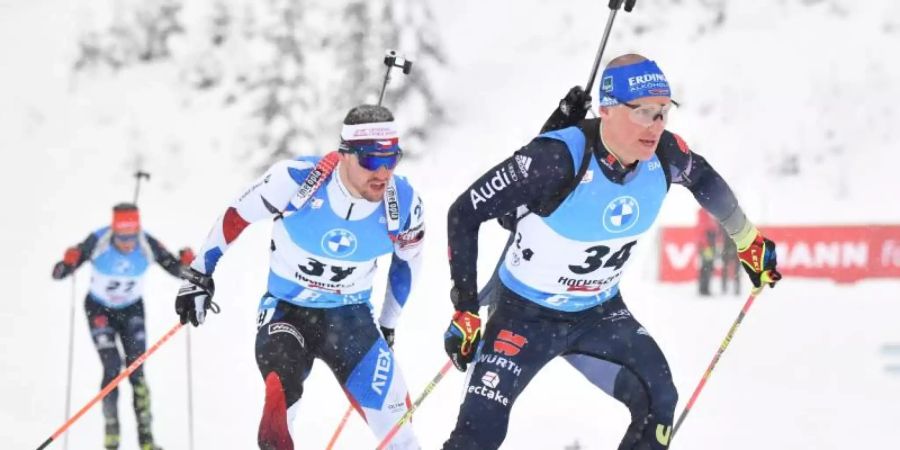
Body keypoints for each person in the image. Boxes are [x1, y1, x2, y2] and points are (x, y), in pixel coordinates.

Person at [441, 54, 782, 449]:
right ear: (606, 109)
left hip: (599, 313)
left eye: (663, 113)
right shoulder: (556, 158)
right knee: (478, 436)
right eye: (643, 113)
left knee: (659, 399)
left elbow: (705, 179)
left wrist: (747, 240)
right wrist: (465, 308)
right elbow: (464, 213)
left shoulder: (666, 156)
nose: (656, 126)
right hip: (522, 315)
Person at [173, 105, 425, 450]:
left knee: (400, 434)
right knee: (281, 396)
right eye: (370, 160)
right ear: (345, 155)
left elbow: (407, 263)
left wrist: (389, 323)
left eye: (391, 159)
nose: (382, 172)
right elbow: (236, 216)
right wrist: (200, 274)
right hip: (288, 311)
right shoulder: (297, 180)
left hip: (351, 319)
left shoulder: (404, 203)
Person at [52, 203, 193, 450]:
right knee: (112, 367)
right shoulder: (99, 240)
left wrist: (188, 262)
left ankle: (146, 439)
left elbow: (176, 269)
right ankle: (112, 435)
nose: (127, 243)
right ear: (114, 231)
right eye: (122, 237)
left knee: (136, 370)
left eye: (131, 236)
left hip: (131, 311)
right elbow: (60, 272)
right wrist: (68, 261)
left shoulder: (146, 242)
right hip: (99, 311)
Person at [696, 208, 718, 296]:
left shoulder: (704, 216)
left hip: (707, 246)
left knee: (706, 267)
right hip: (707, 247)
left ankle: (703, 288)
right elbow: (704, 233)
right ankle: (704, 289)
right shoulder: (705, 216)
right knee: (707, 267)